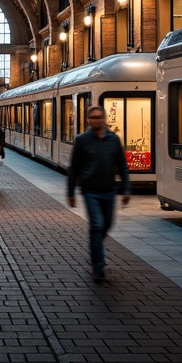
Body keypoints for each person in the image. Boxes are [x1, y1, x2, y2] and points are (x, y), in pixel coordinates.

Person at [67, 105, 130, 283]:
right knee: (97, 225)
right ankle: (98, 266)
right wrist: (71, 192)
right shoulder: (82, 140)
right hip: (90, 191)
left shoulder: (114, 140)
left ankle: (96, 247)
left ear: (104, 119)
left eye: (99, 117)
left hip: (109, 190)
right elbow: (74, 168)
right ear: (88, 120)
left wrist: (126, 188)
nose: (96, 120)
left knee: (106, 225)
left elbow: (122, 166)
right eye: (93, 118)